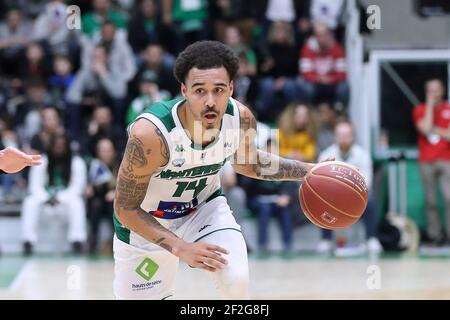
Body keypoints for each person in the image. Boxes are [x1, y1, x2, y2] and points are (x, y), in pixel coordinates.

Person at [113, 40, 328, 299]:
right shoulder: (150, 134)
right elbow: (124, 209)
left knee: (235, 280)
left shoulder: (241, 118)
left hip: (203, 211)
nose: (210, 101)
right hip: (147, 224)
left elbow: (248, 163)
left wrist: (309, 171)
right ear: (184, 90)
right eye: (199, 91)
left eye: (218, 90)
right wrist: (181, 248)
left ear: (231, 88)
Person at [316, 121, 382, 255]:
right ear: (335, 137)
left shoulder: (362, 154)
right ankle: (326, 239)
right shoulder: (325, 155)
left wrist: (349, 192)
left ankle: (372, 238)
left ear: (352, 137)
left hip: (356, 196)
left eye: (347, 134)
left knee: (371, 200)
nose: (344, 138)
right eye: (340, 135)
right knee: (319, 200)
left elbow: (366, 182)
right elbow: (320, 182)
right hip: (332, 197)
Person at [21, 133, 87, 255]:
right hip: (45, 206)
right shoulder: (42, 161)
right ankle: (28, 241)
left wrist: (59, 198)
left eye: (62, 145)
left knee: (77, 202)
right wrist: (48, 198)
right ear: (51, 146)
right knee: (30, 201)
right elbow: (34, 186)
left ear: (67, 146)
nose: (59, 148)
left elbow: (77, 188)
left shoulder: (77, 162)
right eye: (56, 145)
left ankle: (77, 240)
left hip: (65, 206)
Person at [413, 79, 450, 246]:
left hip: (446, 160)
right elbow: (426, 128)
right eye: (430, 90)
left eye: (436, 89)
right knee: (431, 201)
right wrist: (429, 105)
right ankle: (435, 236)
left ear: (443, 90)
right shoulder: (420, 109)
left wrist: (436, 130)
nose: (434, 93)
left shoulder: (448, 109)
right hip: (426, 161)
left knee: (449, 198)